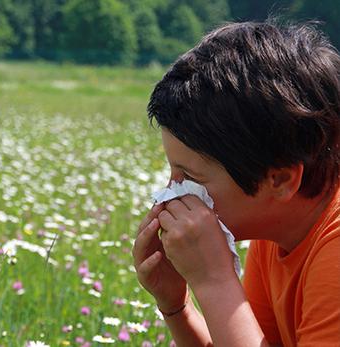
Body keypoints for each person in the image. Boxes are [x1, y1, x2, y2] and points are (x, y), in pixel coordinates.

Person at [132, 21, 340, 346]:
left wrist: (214, 281)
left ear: (281, 179)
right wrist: (176, 307)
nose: (170, 193)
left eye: (190, 178)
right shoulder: (278, 232)